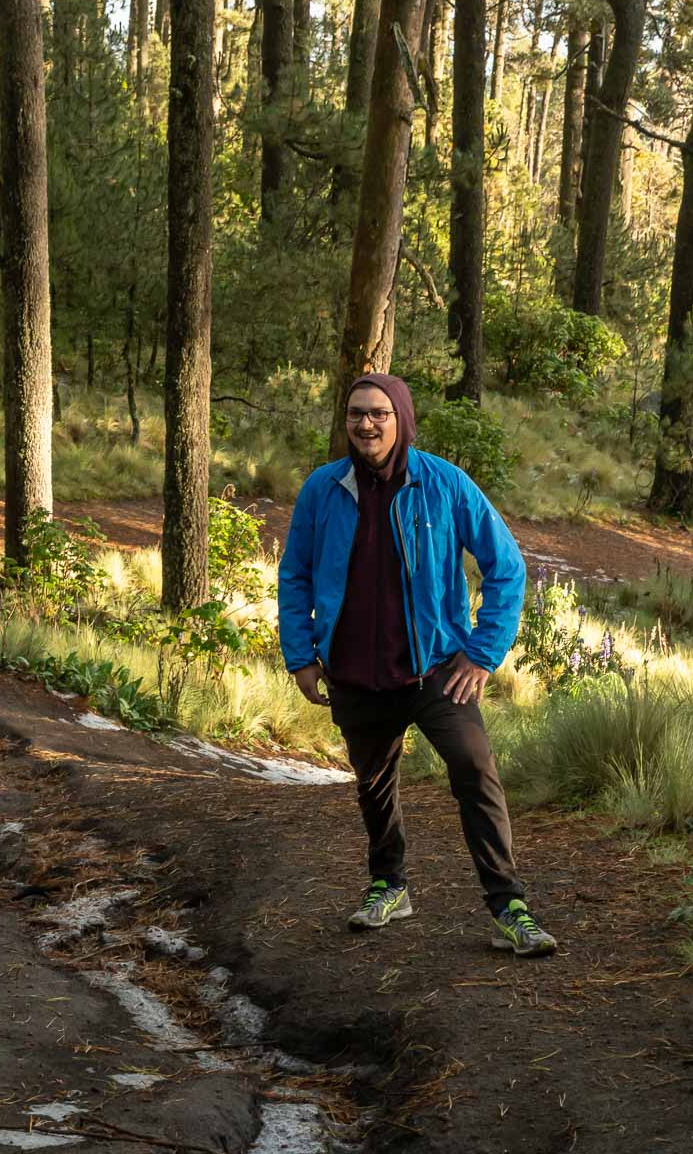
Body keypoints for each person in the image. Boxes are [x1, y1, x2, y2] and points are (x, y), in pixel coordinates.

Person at [277, 374, 556, 957]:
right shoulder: (323, 489)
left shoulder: (444, 483)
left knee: (474, 771)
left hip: (436, 670)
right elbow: (294, 573)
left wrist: (482, 652)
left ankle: (509, 905)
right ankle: (389, 885)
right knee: (374, 785)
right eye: (356, 414)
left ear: (400, 417)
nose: (366, 424)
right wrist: (301, 655)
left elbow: (506, 566)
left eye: (379, 413)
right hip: (353, 672)